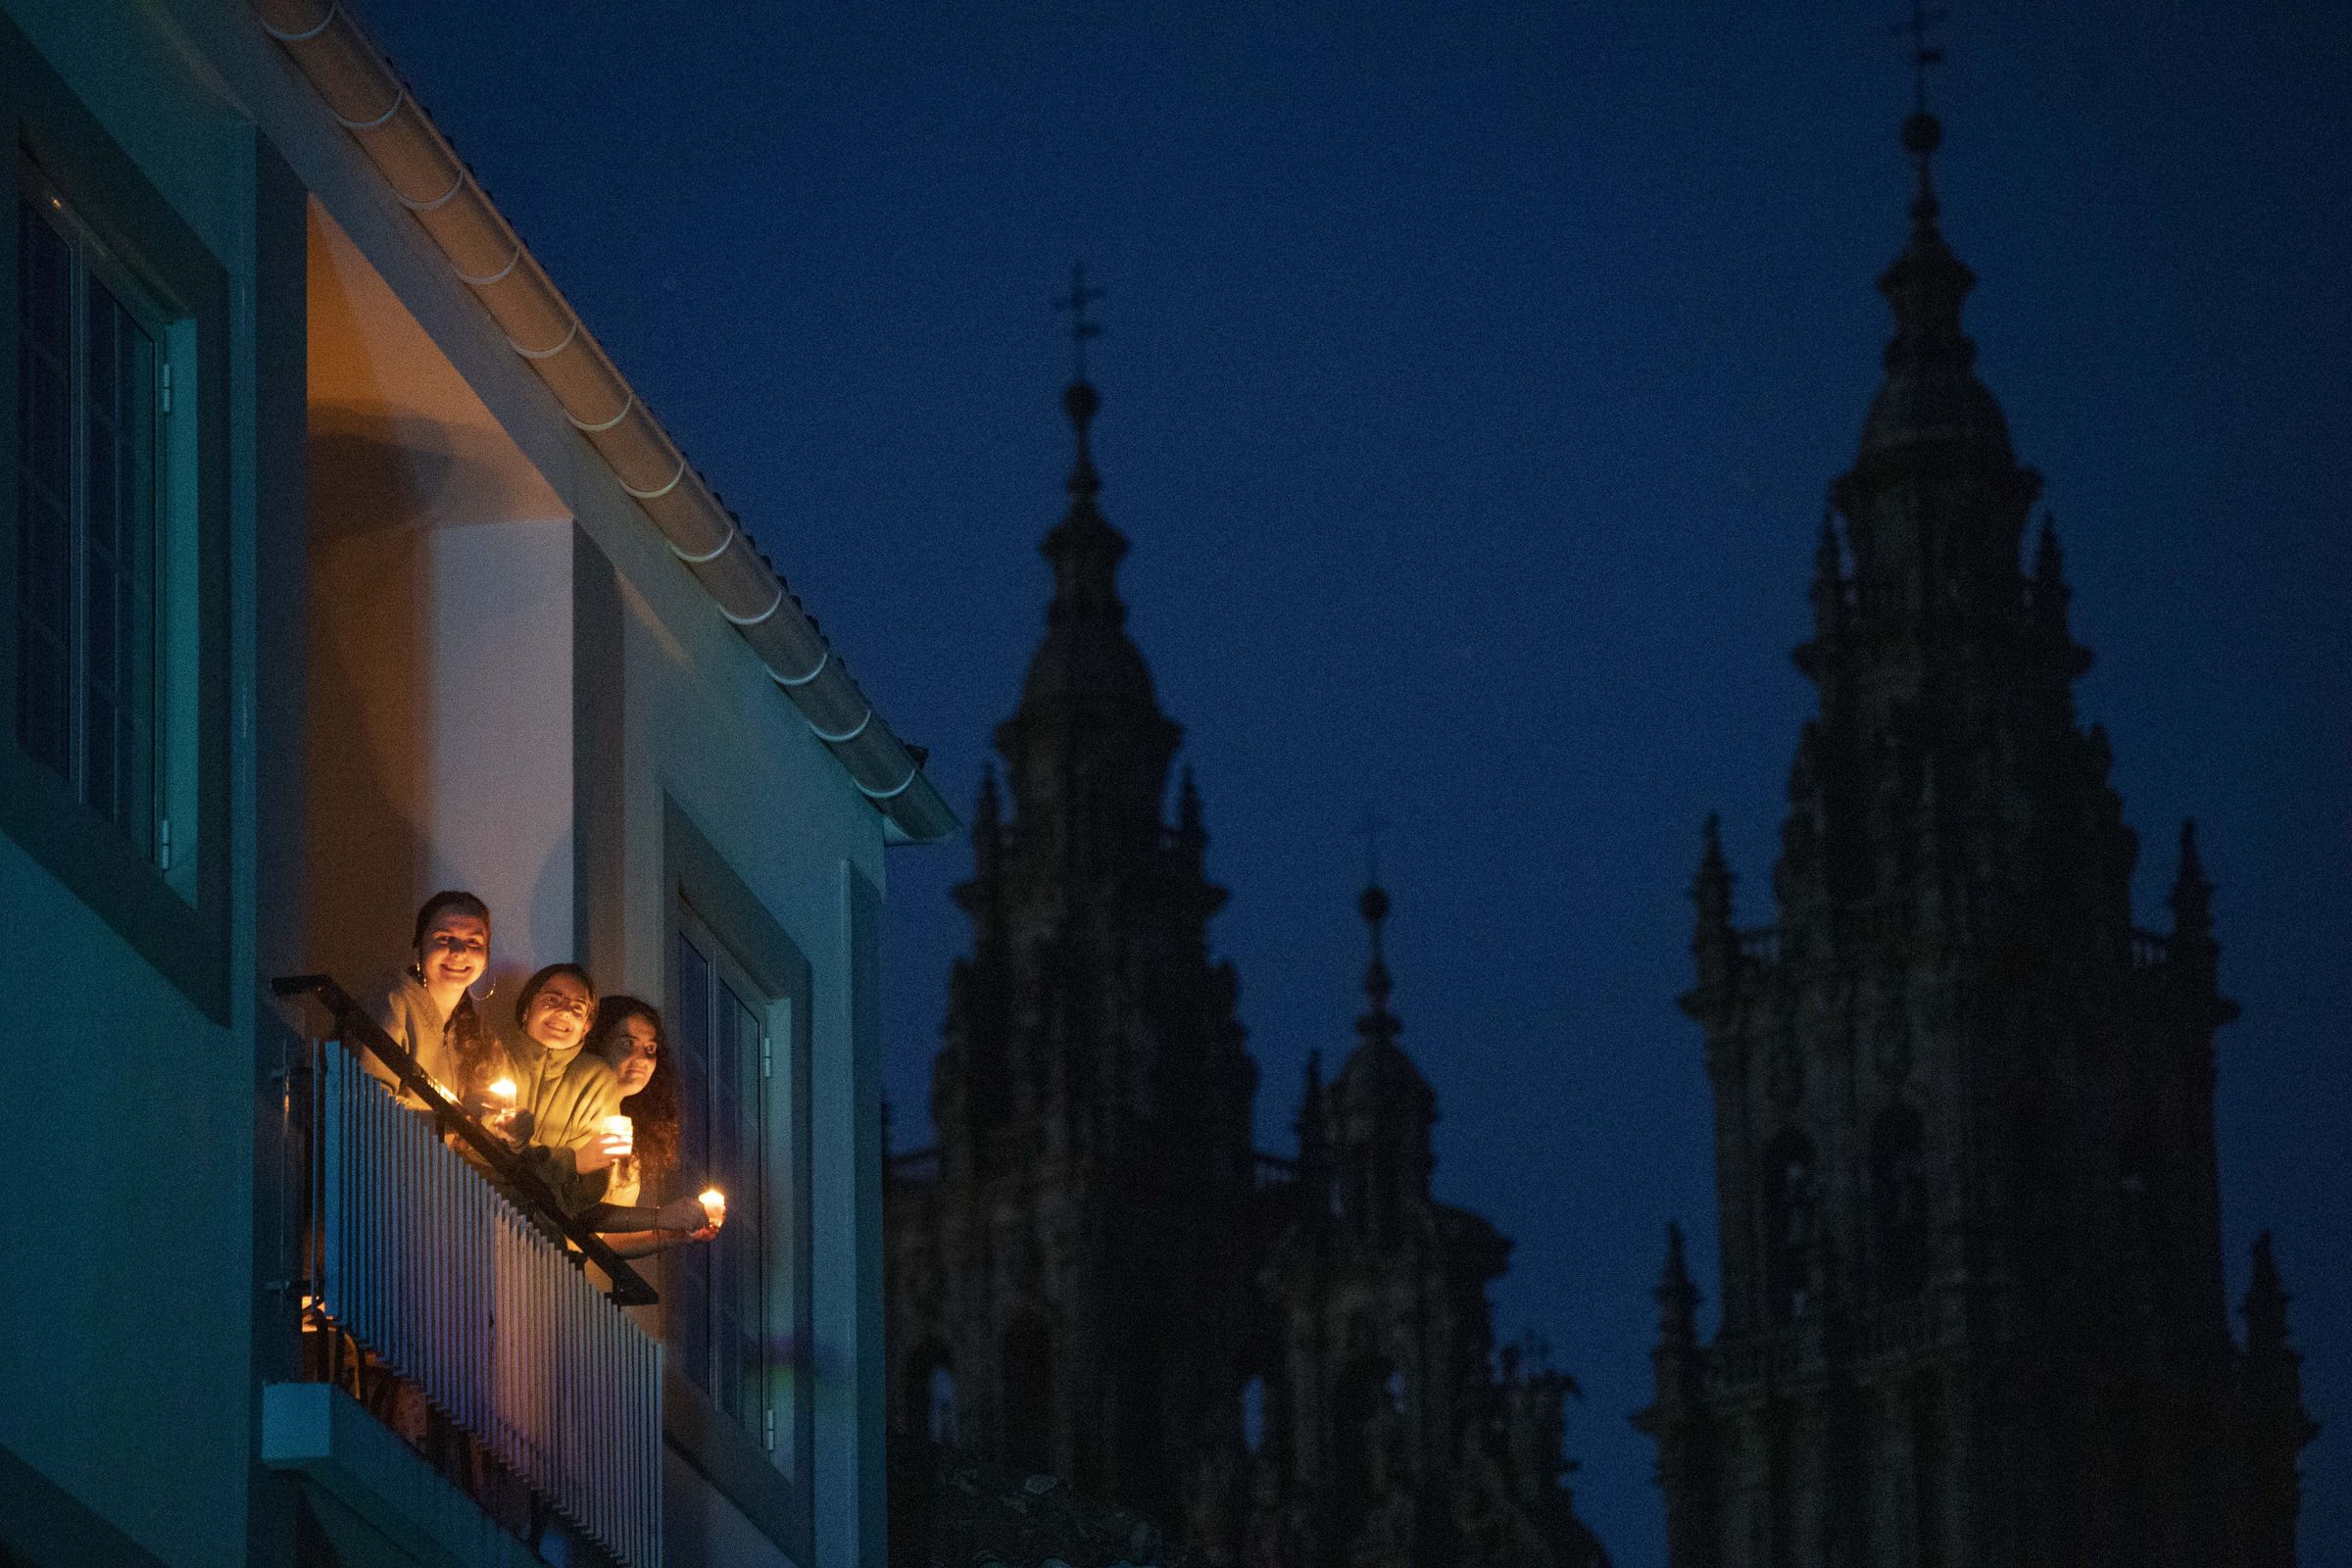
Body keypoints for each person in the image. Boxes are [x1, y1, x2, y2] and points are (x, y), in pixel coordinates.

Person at [581, 997, 721, 1256]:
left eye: (650, 1049)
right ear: (597, 1041)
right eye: (627, 1044)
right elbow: (577, 1213)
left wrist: (674, 1235)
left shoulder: (629, 1138)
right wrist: (662, 1216)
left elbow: (603, 1241)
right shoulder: (573, 1112)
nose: (642, 1059)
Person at [503, 963, 629, 1217]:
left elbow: (589, 1182)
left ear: (586, 1026)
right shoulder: (494, 1056)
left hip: (546, 1233)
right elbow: (485, 1149)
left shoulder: (596, 1079)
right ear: (527, 1009)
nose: (563, 1012)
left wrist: (525, 1153)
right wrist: (571, 1162)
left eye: (577, 1008)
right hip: (476, 1207)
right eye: (552, 1000)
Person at [361, 891, 504, 1110]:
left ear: (486, 959)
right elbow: (369, 1102)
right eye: (444, 938)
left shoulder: (478, 1034)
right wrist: (457, 1118)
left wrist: (507, 1126)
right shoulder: (392, 1002)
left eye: (473, 941)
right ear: (418, 950)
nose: (459, 951)